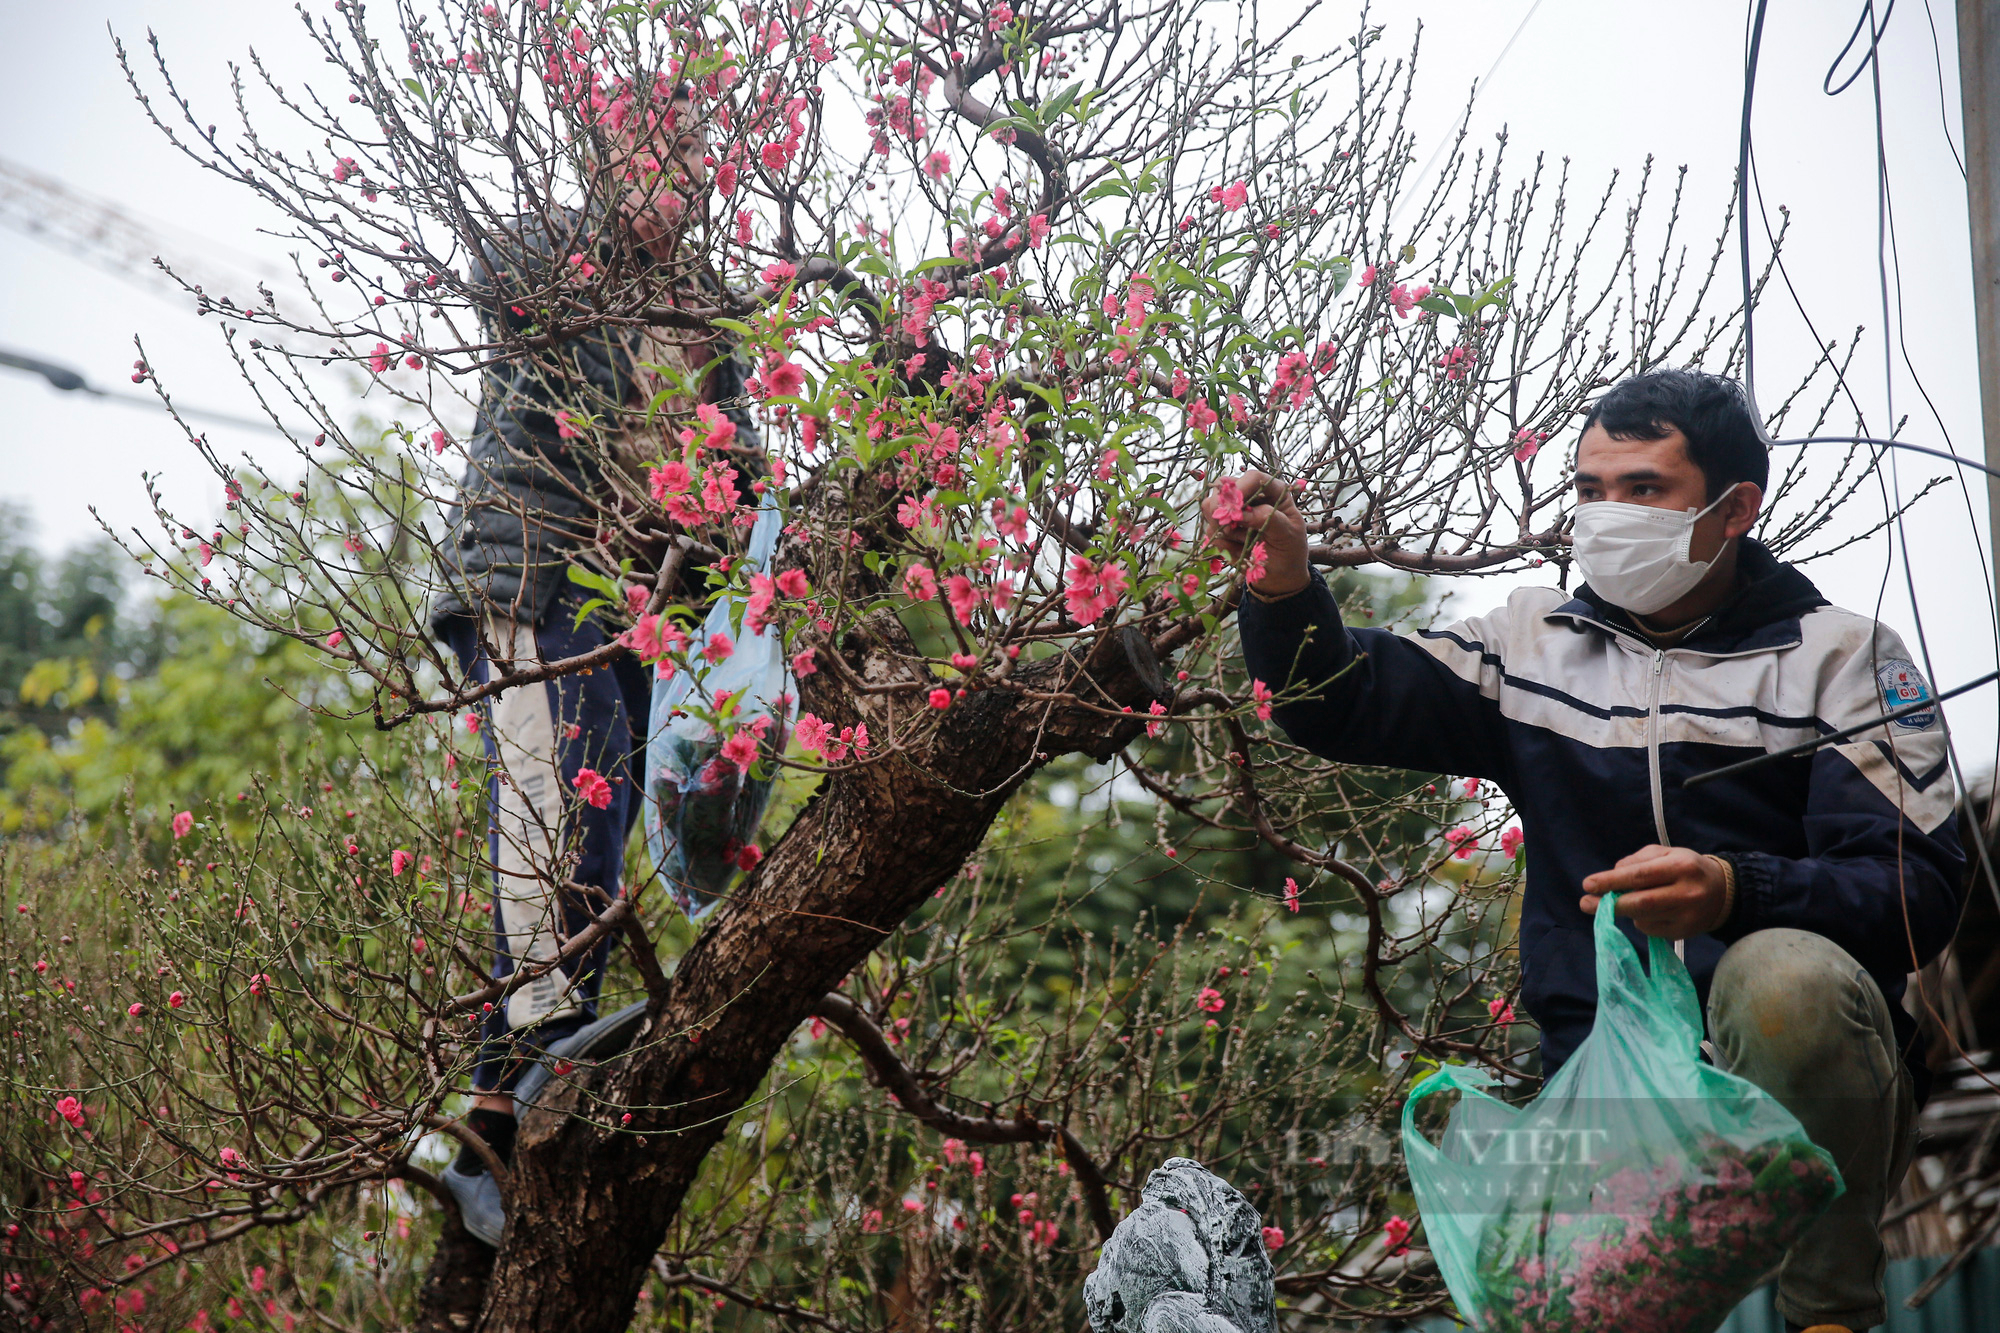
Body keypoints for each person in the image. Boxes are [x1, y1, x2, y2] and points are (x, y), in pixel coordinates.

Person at [1209, 369, 1964, 1332]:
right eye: (1590, 489)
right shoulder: (1534, 644)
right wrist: (1284, 590)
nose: (1607, 516)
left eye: (1644, 490)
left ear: (1735, 509)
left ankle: (1829, 1318)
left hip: (1798, 1085)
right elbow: (1343, 697)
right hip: (1607, 1095)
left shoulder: (1841, 658)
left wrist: (1737, 890)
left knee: (1786, 980)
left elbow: (1915, 890)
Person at [431, 82, 760, 1246]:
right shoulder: (549, 250)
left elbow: (740, 464)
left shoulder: (713, 307)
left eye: (688, 139)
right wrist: (608, 220)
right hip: (532, 570)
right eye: (644, 136)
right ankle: (545, 1039)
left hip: (643, 603)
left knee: (601, 823)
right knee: (555, 805)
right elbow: (497, 275)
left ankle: (488, 1126)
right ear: (602, 145)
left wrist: (757, 576)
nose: (671, 161)